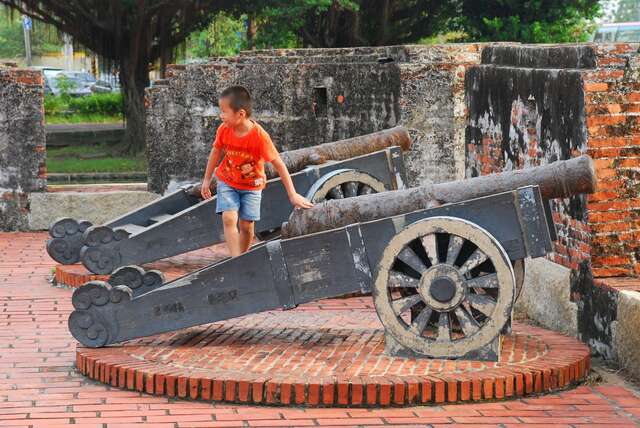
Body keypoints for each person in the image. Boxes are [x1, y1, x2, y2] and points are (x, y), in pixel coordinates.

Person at [201, 85, 313, 257]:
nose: (220, 116)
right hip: (228, 181)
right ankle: (235, 260)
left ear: (241, 114)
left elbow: (279, 164)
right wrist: (207, 180)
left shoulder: (259, 137)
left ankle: (242, 257)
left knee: (247, 227)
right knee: (229, 218)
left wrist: (292, 195)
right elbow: (215, 152)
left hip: (251, 187)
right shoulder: (224, 130)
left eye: (224, 112)